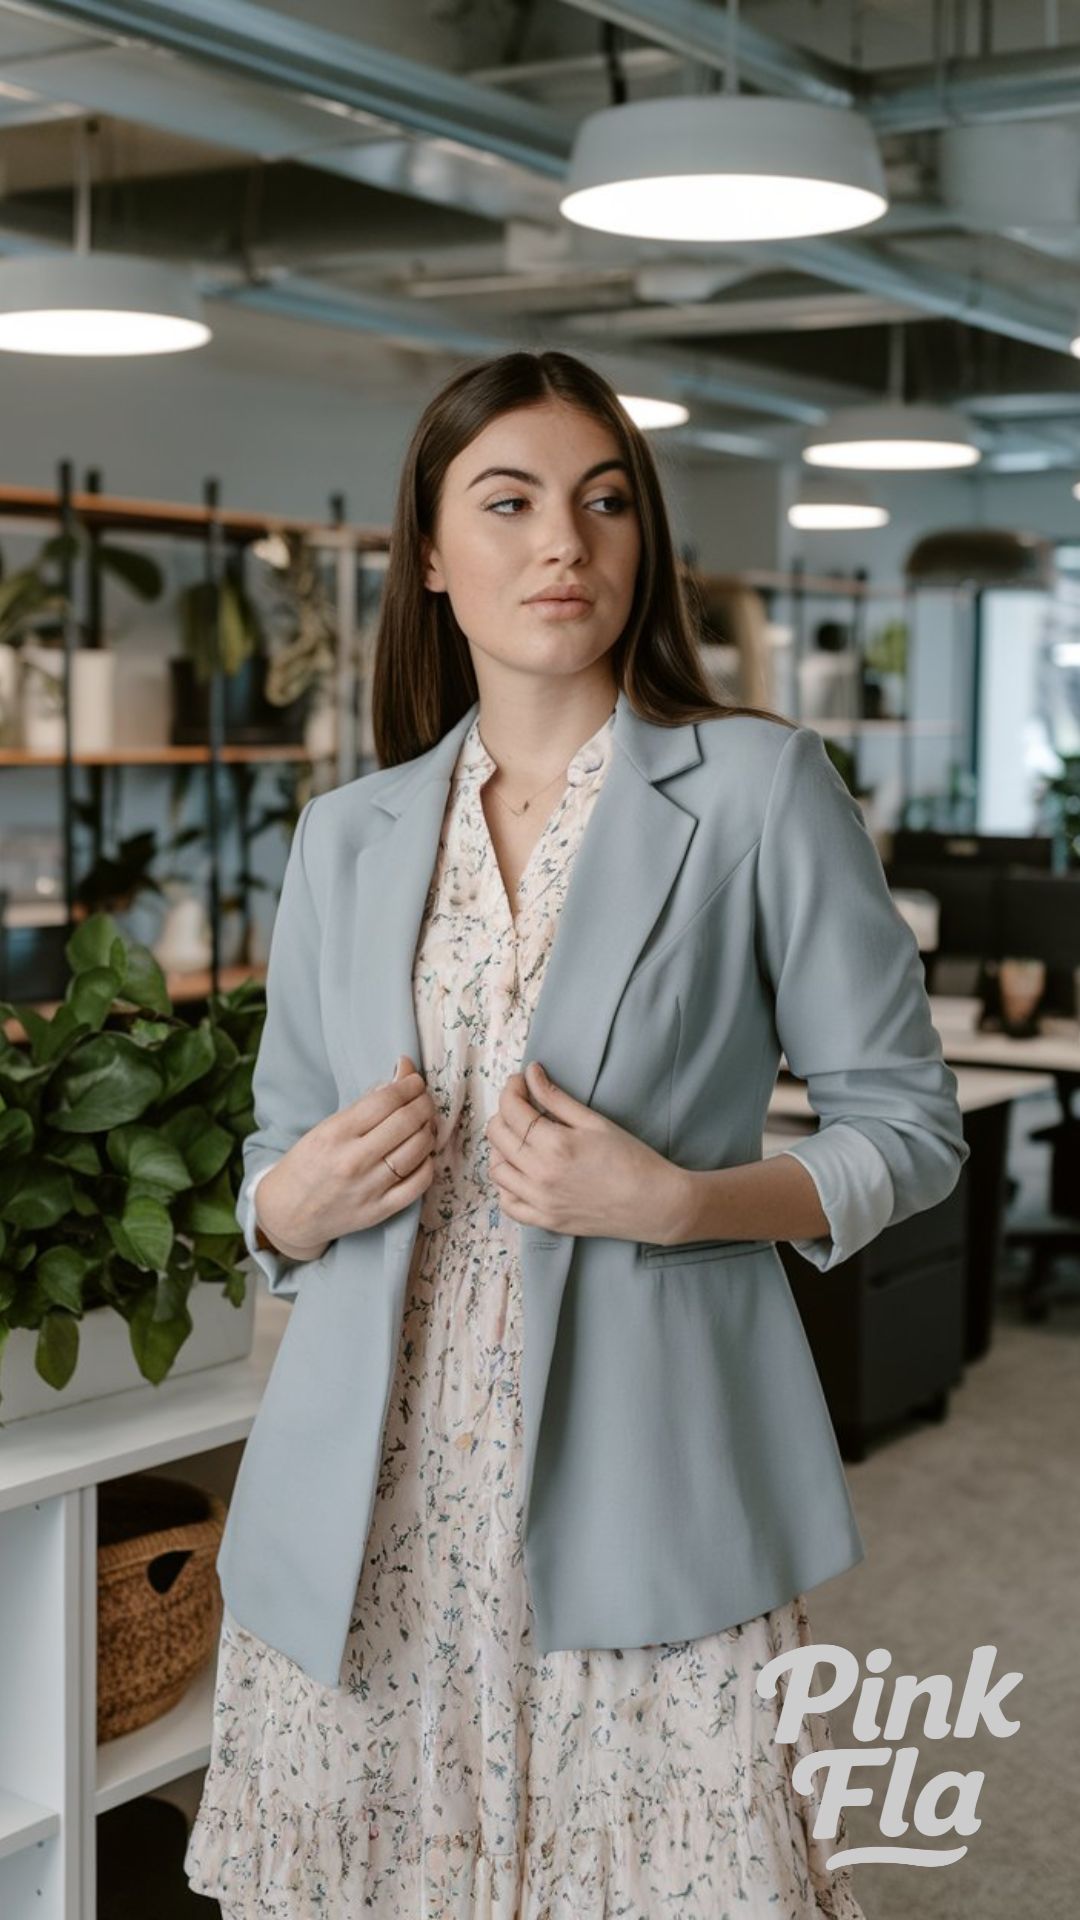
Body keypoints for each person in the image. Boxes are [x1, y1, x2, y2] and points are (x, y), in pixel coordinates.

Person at [186, 348, 967, 1916]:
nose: (566, 541)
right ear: (428, 553)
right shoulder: (347, 833)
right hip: (370, 1502)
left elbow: (911, 1126)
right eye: (512, 501)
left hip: (651, 1480)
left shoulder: (756, 788)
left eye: (605, 502)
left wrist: (679, 1202)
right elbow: (266, 1177)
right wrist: (295, 1202)